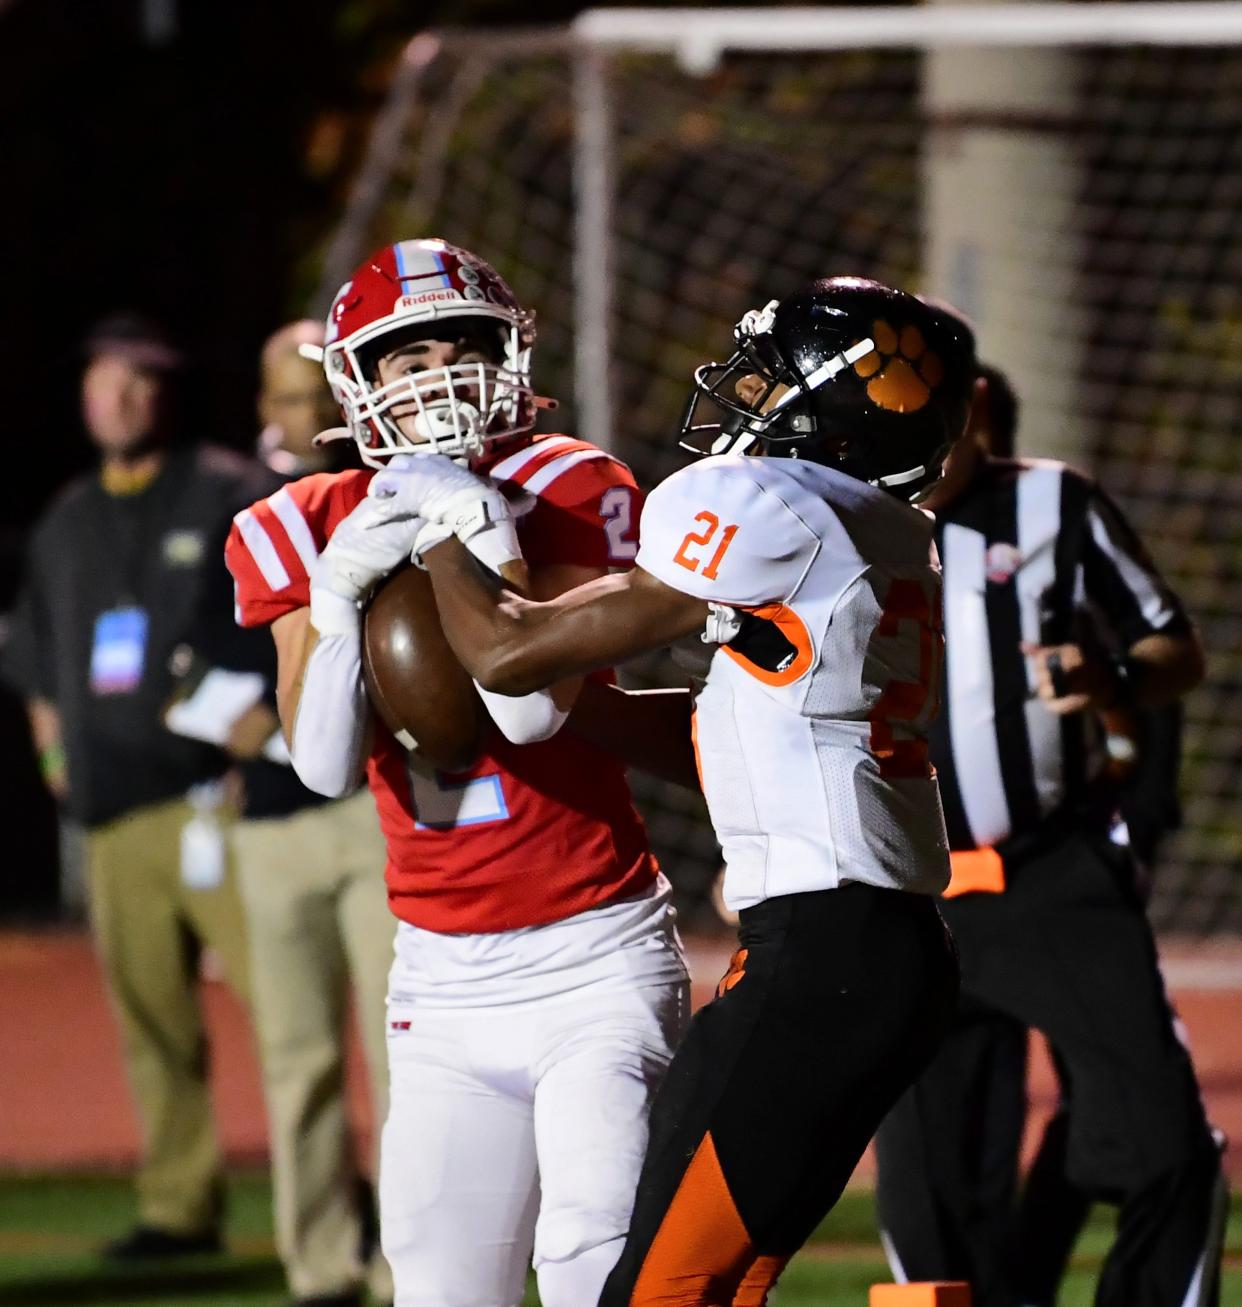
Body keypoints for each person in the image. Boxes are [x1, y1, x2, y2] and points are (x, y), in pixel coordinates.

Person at [359, 276, 978, 1305]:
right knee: (726, 1284)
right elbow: (718, 716)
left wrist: (447, 522)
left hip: (818, 958)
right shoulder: (881, 528)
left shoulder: (765, 500)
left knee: (652, 1291)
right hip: (896, 953)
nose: (744, 395)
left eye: (772, 376)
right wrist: (577, 699)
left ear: (839, 397)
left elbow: (508, 652)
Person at [224, 239, 690, 1307]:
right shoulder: (300, 521)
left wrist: (474, 526)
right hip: (438, 976)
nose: (434, 371)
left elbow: (529, 710)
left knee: (592, 1261)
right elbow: (326, 759)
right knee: (439, 1284)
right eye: (405, 353)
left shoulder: (568, 480)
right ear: (359, 380)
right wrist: (340, 595)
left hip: (594, 953)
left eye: (458, 343)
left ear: (507, 355)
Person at [872, 360, 1224, 1307]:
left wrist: (1110, 674)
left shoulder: (1053, 504)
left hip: (1049, 870)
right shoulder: (821, 514)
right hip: (906, 896)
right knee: (929, 1191)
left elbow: (1174, 648)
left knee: (1163, 1140)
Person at [1, 313, 271, 1257]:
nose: (119, 397)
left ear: (167, 393)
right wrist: (56, 767)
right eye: (104, 379)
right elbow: (35, 664)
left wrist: (259, 757)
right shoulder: (66, 522)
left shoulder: (229, 492)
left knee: (289, 1009)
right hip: (113, 818)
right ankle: (179, 1205)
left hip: (221, 806)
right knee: (152, 1023)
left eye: (139, 380)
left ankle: (337, 1193)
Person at [173, 320, 393, 1307]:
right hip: (272, 821)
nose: (317, 413)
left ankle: (409, 1261)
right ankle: (319, 1266)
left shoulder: (380, 499)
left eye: (329, 393)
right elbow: (182, 673)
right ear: (269, 409)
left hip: (375, 812)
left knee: (404, 1049)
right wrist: (274, 724)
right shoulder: (236, 508)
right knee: (297, 1056)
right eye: (298, 395)